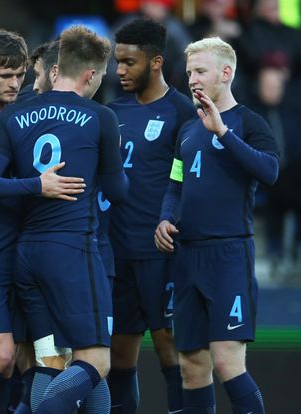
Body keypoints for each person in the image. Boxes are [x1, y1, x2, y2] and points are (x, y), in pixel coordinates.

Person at [0, 25, 128, 414]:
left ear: (55, 69)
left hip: (25, 254)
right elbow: (119, 193)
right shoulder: (100, 117)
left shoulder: (13, 117)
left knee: (50, 359)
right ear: (89, 75)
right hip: (73, 249)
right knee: (96, 361)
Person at [0, 29, 84, 414]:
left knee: (35, 360)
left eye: (19, 74)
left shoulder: (28, 114)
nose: (14, 83)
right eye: (4, 75)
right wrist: (36, 186)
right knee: (1, 356)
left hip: (24, 254)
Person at [154, 37, 278, 413]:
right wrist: (164, 217)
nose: (192, 78)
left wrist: (223, 132)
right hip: (186, 256)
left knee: (227, 362)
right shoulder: (187, 131)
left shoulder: (250, 123)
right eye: (190, 71)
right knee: (192, 366)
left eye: (201, 71)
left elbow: (269, 171)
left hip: (228, 255)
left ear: (225, 73)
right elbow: (175, 185)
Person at [106, 18, 197, 413]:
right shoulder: (111, 112)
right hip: (115, 251)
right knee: (118, 356)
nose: (119, 70)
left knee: (169, 351)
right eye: (117, 61)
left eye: (129, 62)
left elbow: (188, 180)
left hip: (161, 252)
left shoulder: (182, 112)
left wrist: (174, 221)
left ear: (156, 62)